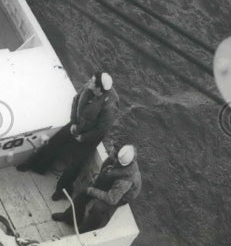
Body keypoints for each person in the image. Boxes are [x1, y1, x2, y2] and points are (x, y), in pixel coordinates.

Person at [19, 70, 120, 200]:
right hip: (78, 124)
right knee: (55, 142)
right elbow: (76, 100)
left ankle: (62, 189)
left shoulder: (110, 106)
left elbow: (101, 130)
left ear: (99, 89)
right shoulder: (90, 87)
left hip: (90, 136)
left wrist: (83, 137)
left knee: (75, 164)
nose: (89, 81)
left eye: (92, 81)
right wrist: (73, 122)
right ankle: (36, 165)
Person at [52, 144, 141, 232]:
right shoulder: (123, 157)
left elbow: (112, 199)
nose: (110, 151)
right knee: (83, 194)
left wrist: (92, 190)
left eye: (112, 152)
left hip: (119, 197)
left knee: (98, 208)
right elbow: (107, 169)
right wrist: (97, 182)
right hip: (113, 184)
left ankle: (85, 231)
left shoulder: (125, 181)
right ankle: (70, 217)